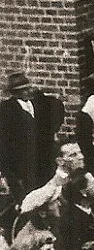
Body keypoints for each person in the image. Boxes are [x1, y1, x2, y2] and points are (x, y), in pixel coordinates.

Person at [0, 71, 66, 201]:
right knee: (30, 199)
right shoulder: (6, 111)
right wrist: (8, 173)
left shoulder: (39, 103)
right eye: (25, 90)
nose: (29, 91)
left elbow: (57, 107)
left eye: (29, 88)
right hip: (22, 167)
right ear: (16, 93)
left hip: (44, 162)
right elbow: (4, 144)